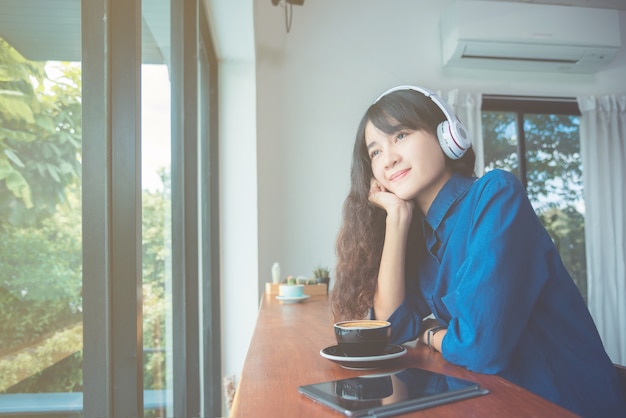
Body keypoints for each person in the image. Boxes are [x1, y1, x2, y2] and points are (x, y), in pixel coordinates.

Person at [331, 85, 626, 417]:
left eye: (400, 136)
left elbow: (479, 348)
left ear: (447, 135)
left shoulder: (496, 195)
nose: (389, 159)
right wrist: (397, 219)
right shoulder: (419, 235)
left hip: (560, 402)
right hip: (493, 399)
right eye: (375, 152)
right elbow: (391, 329)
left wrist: (430, 334)